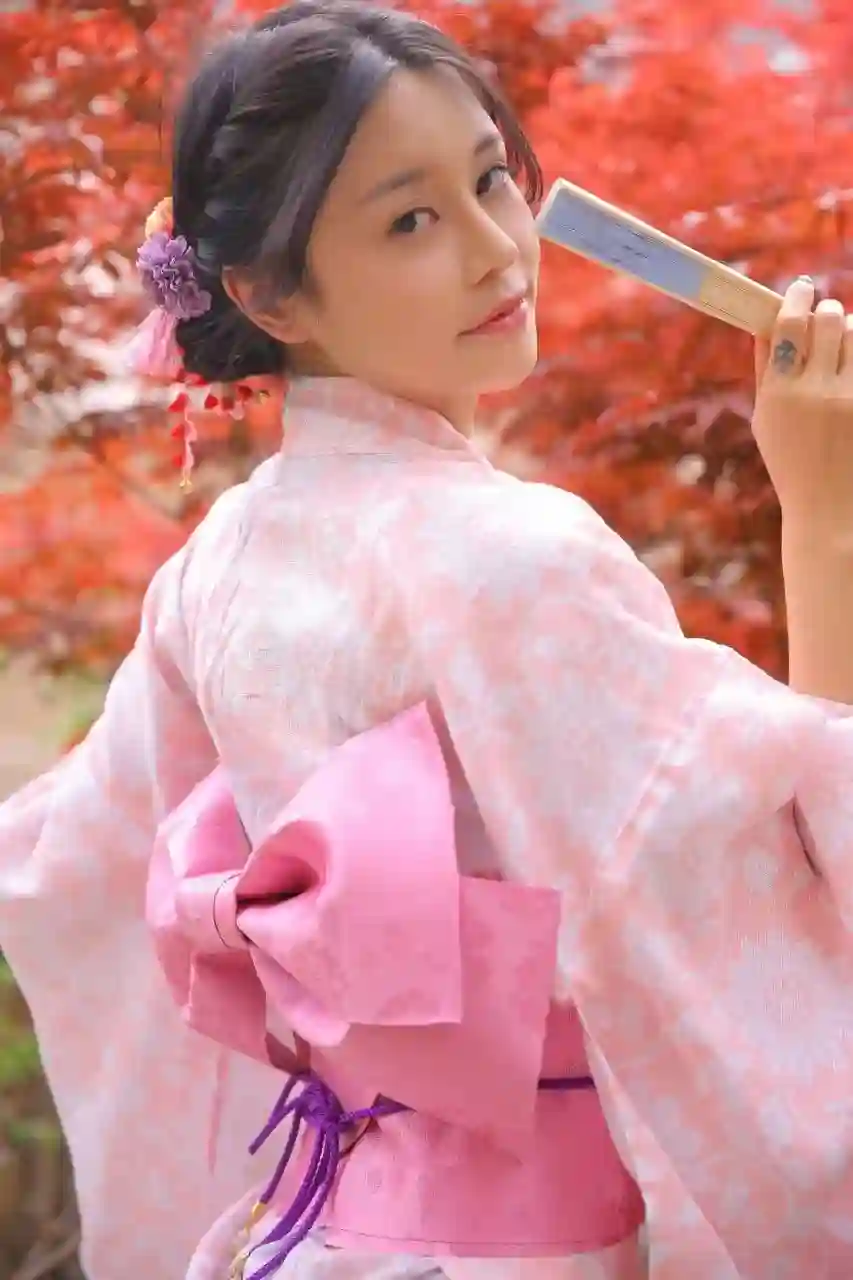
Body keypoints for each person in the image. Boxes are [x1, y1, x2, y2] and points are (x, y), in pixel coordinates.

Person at [2, 2, 853, 1277]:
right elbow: (780, 877)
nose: (496, 248)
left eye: (491, 179)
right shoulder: (512, 556)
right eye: (411, 220)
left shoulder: (214, 564)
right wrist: (827, 518)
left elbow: (69, 859)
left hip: (315, 1236)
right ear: (267, 292)